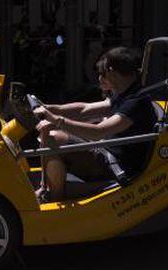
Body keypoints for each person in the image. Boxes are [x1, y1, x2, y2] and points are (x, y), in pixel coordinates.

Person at [34, 46, 157, 201]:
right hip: (105, 150)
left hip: (116, 165)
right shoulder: (123, 93)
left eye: (102, 73)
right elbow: (84, 109)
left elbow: (98, 131)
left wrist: (56, 120)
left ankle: (54, 201)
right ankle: (45, 187)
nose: (100, 78)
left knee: (53, 139)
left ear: (112, 71)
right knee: (48, 134)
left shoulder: (136, 102)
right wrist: (47, 107)